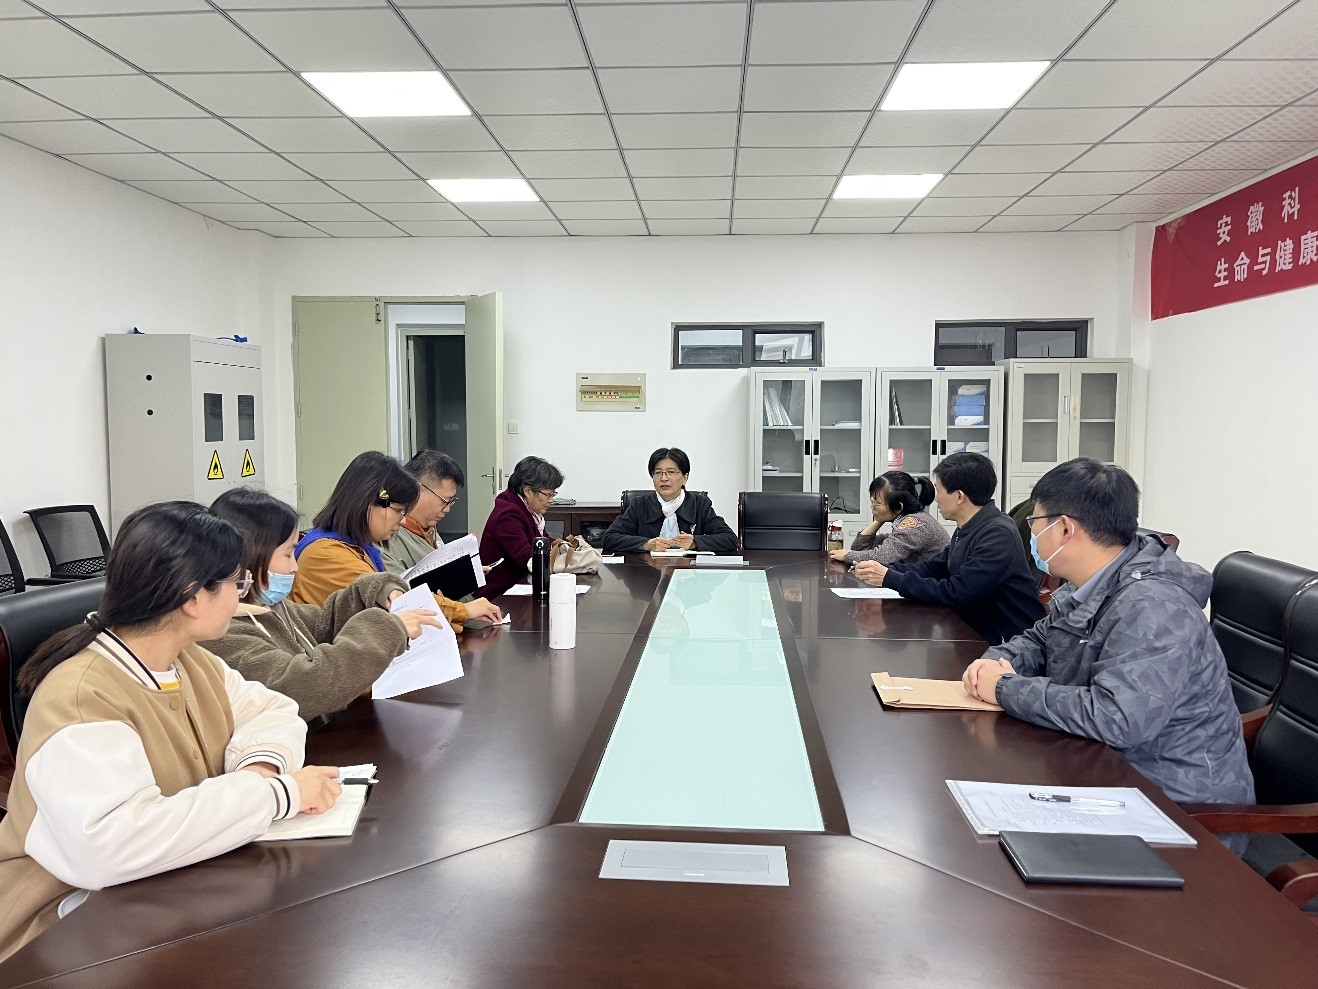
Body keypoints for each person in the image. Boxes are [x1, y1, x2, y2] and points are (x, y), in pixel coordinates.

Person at [0, 502, 342, 963]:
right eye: (236, 582)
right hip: (58, 927)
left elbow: (274, 710)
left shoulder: (189, 659)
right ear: (193, 597)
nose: (241, 596)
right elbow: (112, 847)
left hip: (164, 886)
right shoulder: (81, 698)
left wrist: (259, 771)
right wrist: (277, 796)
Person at [962, 459, 1255, 850]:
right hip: (1104, 772)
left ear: (1064, 528)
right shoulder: (1090, 584)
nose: (1030, 534)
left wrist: (1005, 688)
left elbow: (1117, 718)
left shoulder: (1154, 606)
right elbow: (1038, 640)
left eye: (1034, 522)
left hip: (1177, 810)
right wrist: (993, 662)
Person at [204, 488, 443, 722]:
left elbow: (326, 624)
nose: (295, 567)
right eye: (287, 555)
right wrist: (387, 629)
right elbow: (303, 686)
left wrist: (378, 590)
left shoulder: (274, 607)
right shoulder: (223, 635)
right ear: (251, 558)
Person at [292, 451, 501, 629]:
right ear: (367, 503)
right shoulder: (327, 555)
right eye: (398, 511)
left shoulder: (357, 547)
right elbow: (398, 604)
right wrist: (463, 611)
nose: (402, 521)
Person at [854, 452, 1044, 644]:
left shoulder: (997, 534)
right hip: (974, 630)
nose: (936, 499)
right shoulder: (970, 526)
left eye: (939, 490)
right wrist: (884, 571)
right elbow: (934, 568)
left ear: (959, 496)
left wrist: (890, 578)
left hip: (1012, 642)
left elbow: (957, 592)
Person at [601, 447, 737, 555]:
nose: (664, 478)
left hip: (689, 573)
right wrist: (646, 544)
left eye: (671, 472)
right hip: (647, 572)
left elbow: (730, 539)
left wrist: (695, 542)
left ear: (685, 477)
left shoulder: (699, 504)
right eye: (658, 473)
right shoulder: (640, 504)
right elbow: (609, 538)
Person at [477, 455, 565, 599]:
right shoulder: (507, 515)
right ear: (528, 491)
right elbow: (527, 557)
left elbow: (541, 540)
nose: (551, 500)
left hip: (520, 585)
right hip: (500, 594)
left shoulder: (527, 510)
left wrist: (562, 545)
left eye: (553, 494)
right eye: (548, 495)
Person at [829, 471, 948, 567]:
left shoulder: (915, 524)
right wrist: (879, 519)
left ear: (898, 507)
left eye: (877, 503)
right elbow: (859, 548)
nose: (872, 506)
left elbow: (883, 557)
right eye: (873, 501)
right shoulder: (907, 518)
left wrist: (847, 556)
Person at [382, 449, 464, 575]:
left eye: (451, 501)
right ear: (417, 488)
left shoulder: (428, 528)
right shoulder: (388, 533)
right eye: (445, 501)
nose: (447, 509)